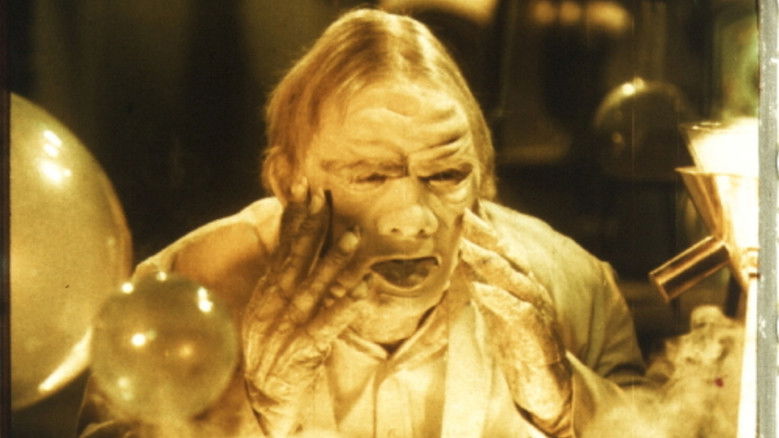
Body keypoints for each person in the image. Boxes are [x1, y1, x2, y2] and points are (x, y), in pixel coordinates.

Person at [78, 8, 645, 438]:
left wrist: (564, 404)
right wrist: (249, 416)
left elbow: (666, 420)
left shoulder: (574, 288)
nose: (413, 220)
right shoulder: (182, 294)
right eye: (372, 175)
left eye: (446, 174)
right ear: (287, 182)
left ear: (484, 178)